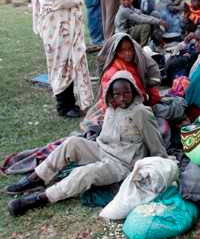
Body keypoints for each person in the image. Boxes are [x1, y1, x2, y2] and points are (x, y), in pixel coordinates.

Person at [6, 70, 167, 216]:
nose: (123, 98)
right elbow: (106, 137)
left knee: (84, 173)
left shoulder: (141, 112)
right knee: (72, 142)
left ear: (134, 91)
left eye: (127, 92)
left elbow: (156, 145)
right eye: (117, 94)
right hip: (102, 150)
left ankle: (42, 198)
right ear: (111, 94)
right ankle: (38, 178)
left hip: (122, 164)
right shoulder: (112, 108)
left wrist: (162, 169)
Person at [31, 0, 94, 119]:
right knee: (60, 63)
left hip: (72, 23)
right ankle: (63, 106)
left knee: (74, 60)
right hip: (55, 25)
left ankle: (74, 102)